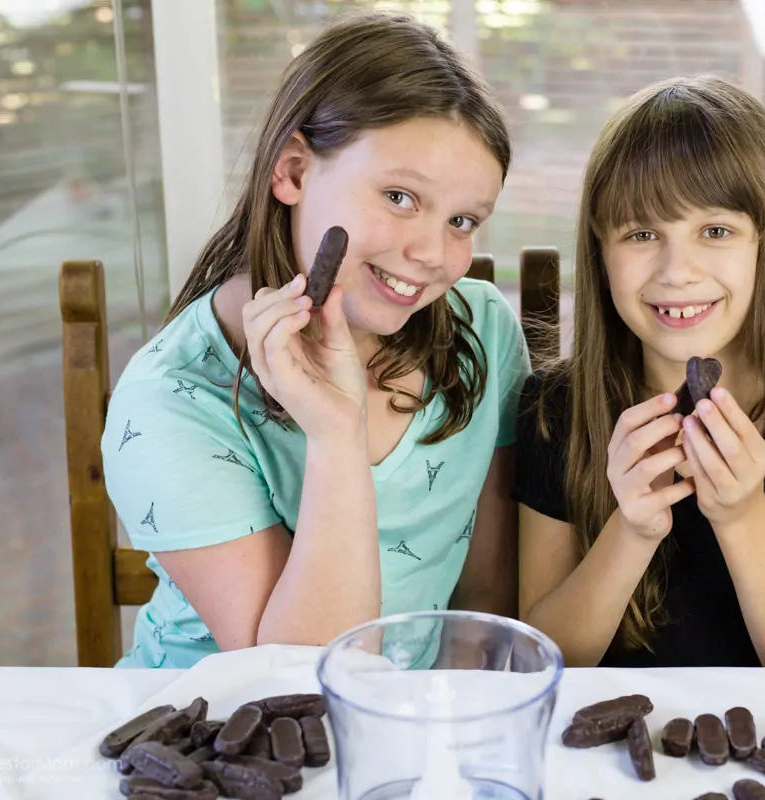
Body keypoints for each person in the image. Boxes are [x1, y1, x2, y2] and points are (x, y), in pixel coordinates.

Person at [101, 12, 528, 668]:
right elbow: (297, 682)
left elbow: (484, 600)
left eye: (463, 220)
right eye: (400, 197)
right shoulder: (170, 403)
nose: (431, 252)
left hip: (397, 732)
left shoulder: (481, 332)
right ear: (294, 171)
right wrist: (335, 433)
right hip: (213, 738)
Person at [514, 75, 765, 668]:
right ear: (599, 253)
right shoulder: (554, 409)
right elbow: (544, 660)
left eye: (715, 231)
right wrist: (633, 529)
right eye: (641, 234)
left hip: (761, 745)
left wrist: (742, 515)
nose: (677, 271)